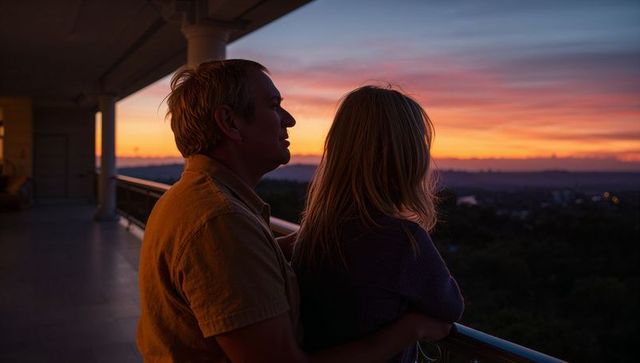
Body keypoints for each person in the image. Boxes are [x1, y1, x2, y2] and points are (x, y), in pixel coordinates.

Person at [137, 60, 453, 362]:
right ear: (230, 122)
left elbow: (238, 272)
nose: (289, 119)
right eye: (274, 105)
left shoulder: (194, 202)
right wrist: (410, 330)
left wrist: (315, 236)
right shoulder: (220, 223)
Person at [293, 85, 465, 362]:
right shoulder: (401, 240)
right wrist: (413, 326)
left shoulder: (316, 234)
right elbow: (450, 306)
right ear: (407, 157)